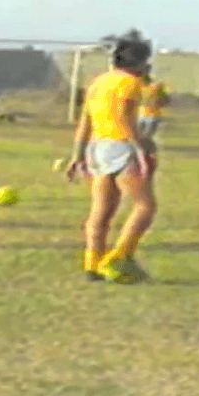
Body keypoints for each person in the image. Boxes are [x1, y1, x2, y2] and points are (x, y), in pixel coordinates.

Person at [65, 39, 157, 284]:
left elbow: (85, 119)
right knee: (145, 206)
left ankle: (92, 263)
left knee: (101, 211)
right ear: (140, 61)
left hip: (97, 147)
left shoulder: (99, 81)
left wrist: (77, 154)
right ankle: (119, 256)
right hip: (123, 146)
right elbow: (124, 117)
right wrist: (142, 146)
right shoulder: (131, 83)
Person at [137, 64, 171, 141]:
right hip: (149, 117)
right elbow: (165, 101)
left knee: (142, 139)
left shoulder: (154, 87)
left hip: (146, 116)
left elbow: (165, 101)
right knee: (146, 138)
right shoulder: (156, 86)